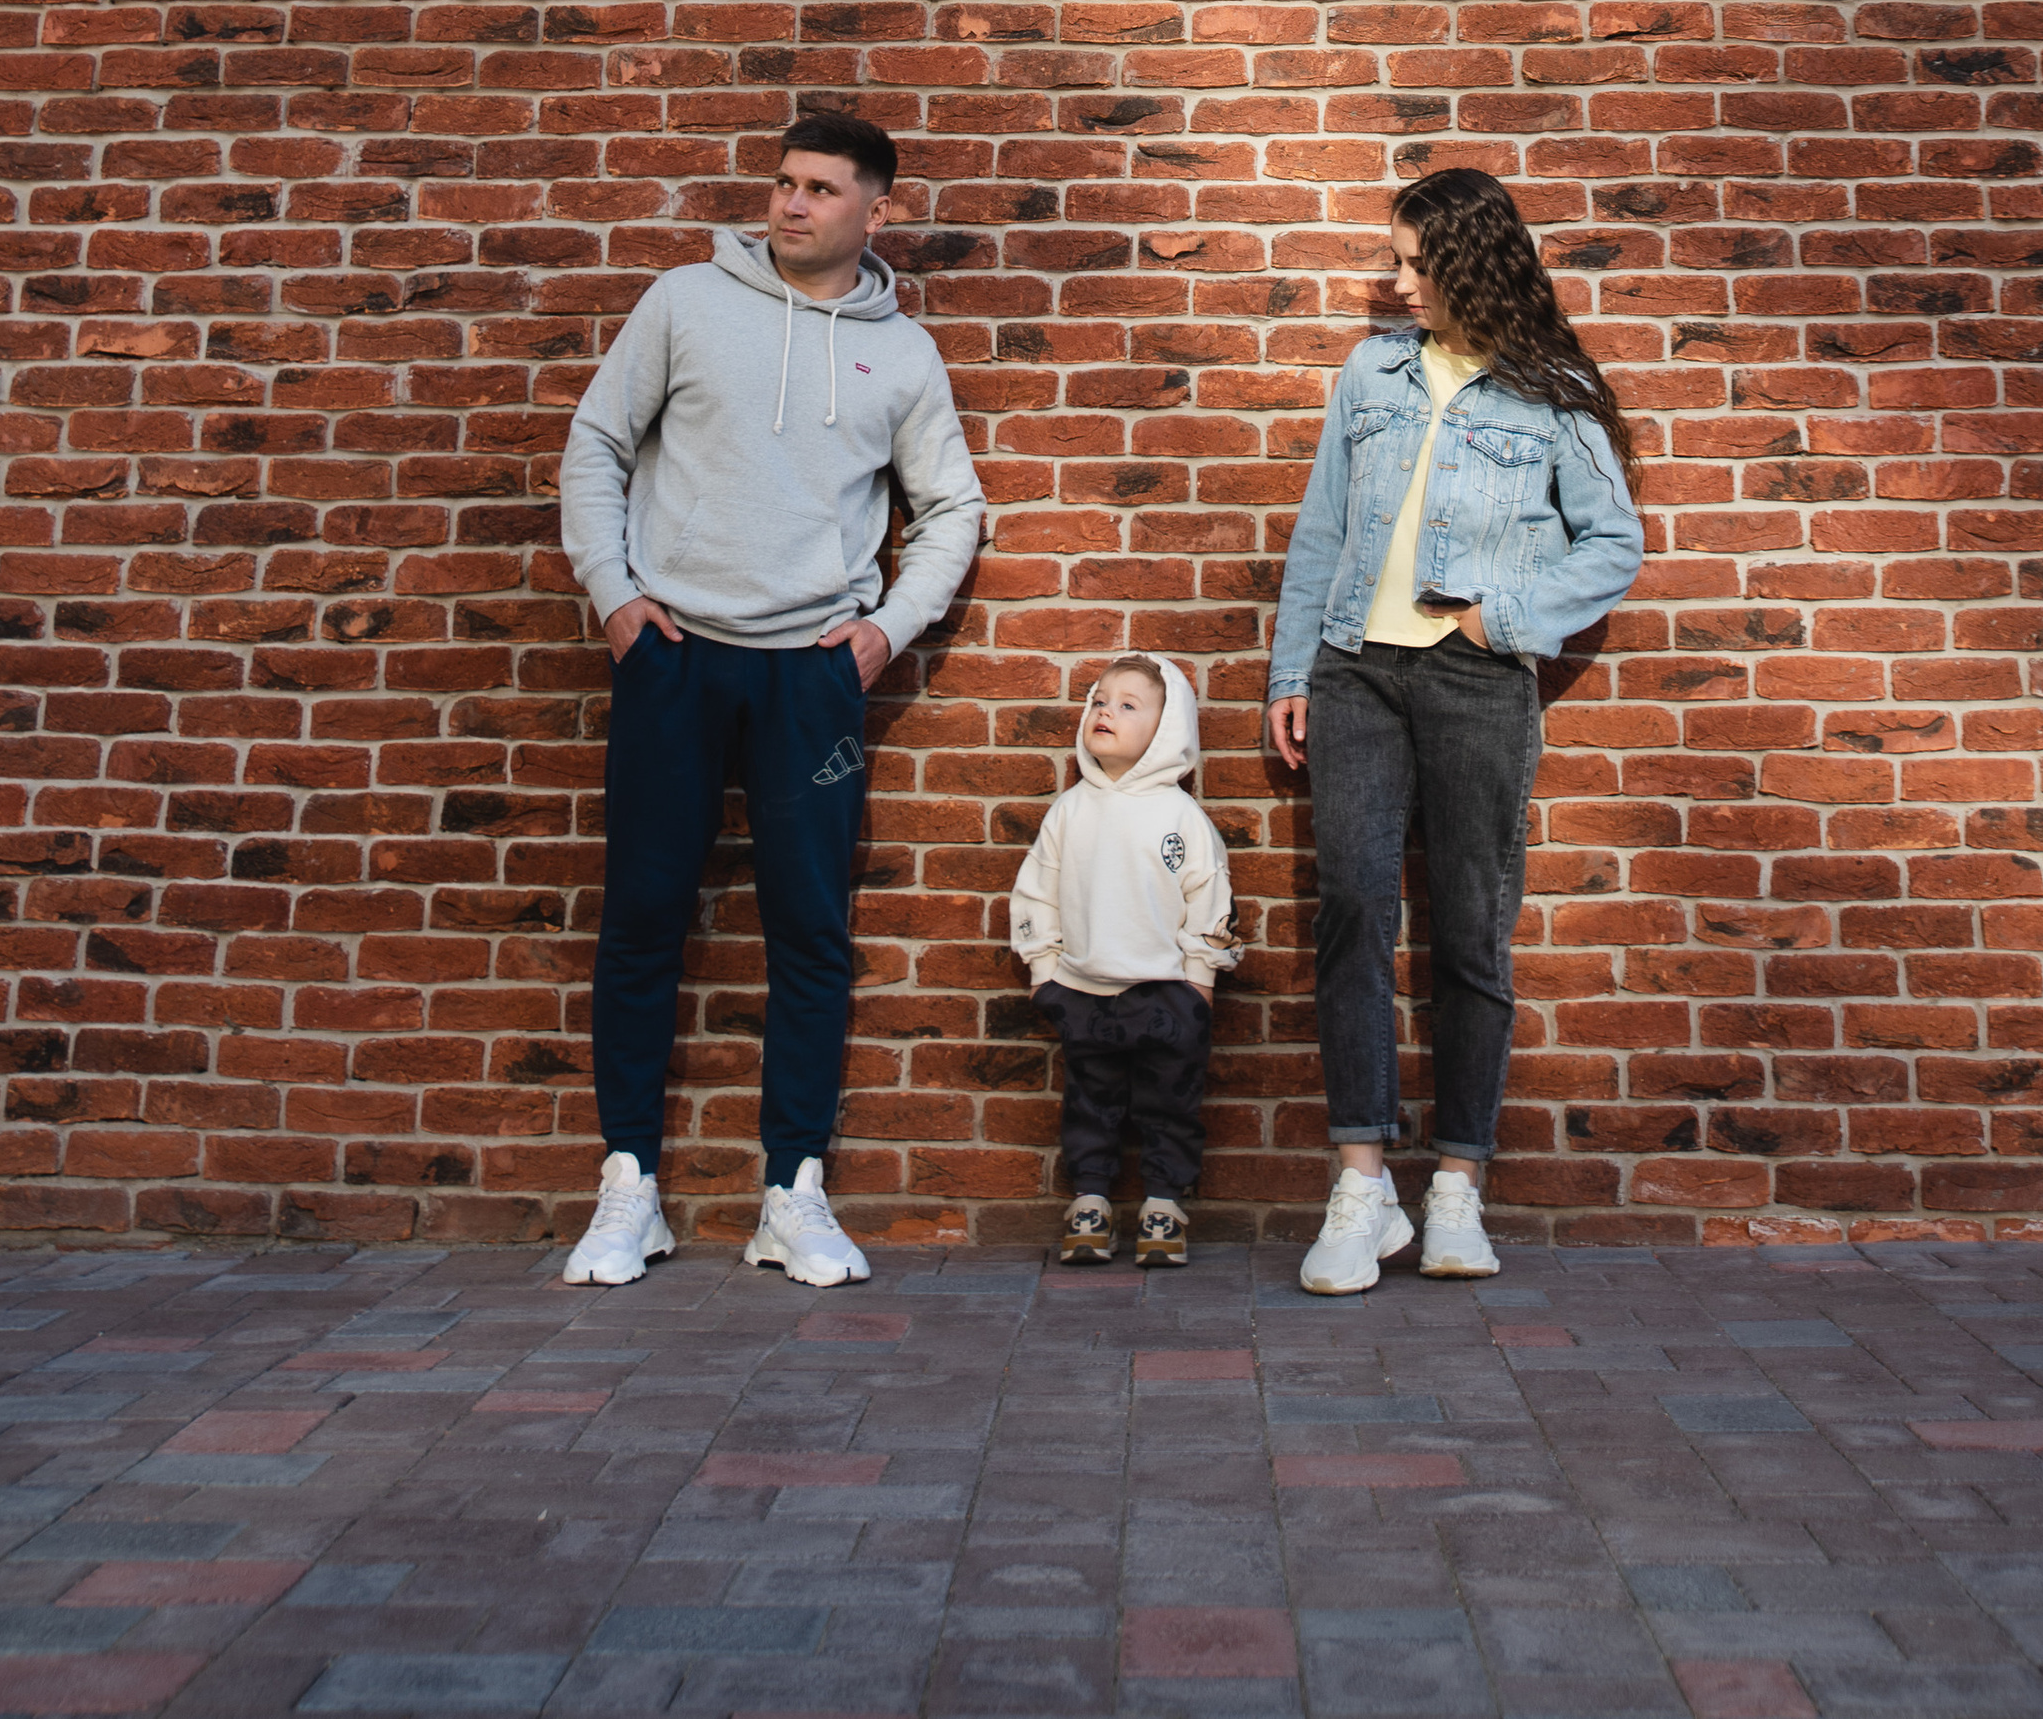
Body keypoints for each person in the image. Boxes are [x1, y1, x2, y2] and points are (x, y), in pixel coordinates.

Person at [556, 112, 983, 1289]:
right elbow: (595, 442)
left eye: (821, 190)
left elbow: (953, 511)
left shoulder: (900, 356)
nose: (791, 206)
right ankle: (628, 1186)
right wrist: (615, 600)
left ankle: (793, 1190)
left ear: (875, 213)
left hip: (810, 677)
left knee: (809, 935)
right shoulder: (686, 302)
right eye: (784, 184)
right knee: (642, 922)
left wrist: (885, 633)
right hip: (674, 656)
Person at [1265, 166, 1646, 1297]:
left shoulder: (1553, 392)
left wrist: (1506, 618)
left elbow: (1612, 544)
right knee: (1350, 911)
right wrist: (1293, 668)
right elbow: (1321, 528)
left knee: (1472, 930)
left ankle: (1457, 1188)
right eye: (1396, 262)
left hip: (1475, 682)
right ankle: (1360, 1184)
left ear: (1470, 265)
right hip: (1353, 676)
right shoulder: (1370, 372)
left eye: (1414, 265)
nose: (1397, 286)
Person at [1011, 653, 1236, 1268]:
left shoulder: (1180, 817)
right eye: (1099, 701)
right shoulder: (1070, 811)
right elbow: (1037, 893)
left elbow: (1208, 900)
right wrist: (1044, 972)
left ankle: (1165, 1204)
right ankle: (1091, 1201)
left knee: (1171, 1104)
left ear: (1167, 731)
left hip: (1166, 993)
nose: (1105, 711)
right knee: (1090, 1102)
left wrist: (1199, 982)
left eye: (1128, 705)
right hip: (1081, 990)